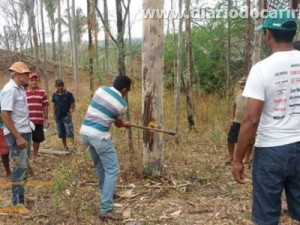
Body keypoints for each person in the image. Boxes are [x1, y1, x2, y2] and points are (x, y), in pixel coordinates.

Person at [232, 8, 300, 224]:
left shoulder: (262, 69)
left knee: (266, 216)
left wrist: (238, 159)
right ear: (293, 33)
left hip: (271, 150)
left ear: (268, 34)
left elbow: (251, 119)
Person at [80, 75, 132, 222]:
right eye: (127, 91)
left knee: (101, 166)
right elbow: (118, 123)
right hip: (99, 136)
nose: (126, 94)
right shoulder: (122, 104)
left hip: (85, 133)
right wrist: (125, 124)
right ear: (123, 89)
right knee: (113, 169)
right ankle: (106, 209)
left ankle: (106, 193)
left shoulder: (101, 90)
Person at [0, 62, 32, 208]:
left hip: (25, 131)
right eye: (26, 74)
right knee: (19, 167)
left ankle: (21, 195)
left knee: (23, 166)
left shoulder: (19, 89)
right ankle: (16, 202)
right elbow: (5, 115)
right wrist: (18, 137)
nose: (28, 76)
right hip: (16, 134)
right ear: (19, 75)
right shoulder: (10, 90)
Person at [226, 77, 252, 165]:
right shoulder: (237, 93)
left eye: (244, 84)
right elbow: (233, 106)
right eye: (241, 84)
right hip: (237, 121)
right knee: (230, 138)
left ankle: (246, 158)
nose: (243, 86)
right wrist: (231, 119)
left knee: (248, 140)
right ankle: (230, 157)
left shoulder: (253, 94)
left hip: (248, 121)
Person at [26, 72, 49, 161]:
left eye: (35, 80)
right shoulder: (24, 92)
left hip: (38, 119)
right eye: (32, 80)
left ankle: (35, 156)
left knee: (37, 139)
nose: (34, 82)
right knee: (26, 139)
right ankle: (26, 157)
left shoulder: (42, 92)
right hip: (27, 120)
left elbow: (45, 105)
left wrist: (46, 118)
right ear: (28, 81)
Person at [52, 79, 75, 151]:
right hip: (58, 117)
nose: (60, 87)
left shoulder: (68, 94)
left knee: (69, 133)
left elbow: (73, 104)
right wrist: (54, 114)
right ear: (56, 86)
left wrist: (70, 111)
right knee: (61, 133)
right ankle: (65, 147)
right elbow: (54, 104)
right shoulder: (54, 95)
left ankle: (73, 147)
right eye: (58, 86)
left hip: (66, 117)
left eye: (61, 85)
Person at [0, 90, 11, 178]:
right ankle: (8, 171)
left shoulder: (3, 93)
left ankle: (25, 168)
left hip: (7, 125)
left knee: (13, 147)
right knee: (4, 151)